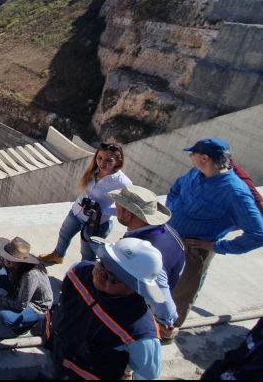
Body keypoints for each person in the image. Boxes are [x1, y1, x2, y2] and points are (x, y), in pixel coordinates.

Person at [164, 138, 263, 343]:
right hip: (169, 237)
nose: (190, 156)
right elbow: (176, 188)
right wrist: (172, 210)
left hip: (193, 249)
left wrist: (216, 246)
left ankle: (164, 332)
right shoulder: (195, 173)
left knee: (181, 294)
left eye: (193, 153)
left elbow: (258, 233)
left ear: (205, 158)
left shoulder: (234, 192)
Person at [45, 237, 164, 380]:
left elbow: (148, 374)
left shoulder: (140, 332)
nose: (99, 274)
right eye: (102, 264)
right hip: (59, 354)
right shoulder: (78, 271)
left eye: (111, 277)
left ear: (135, 286)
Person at [40, 142, 133, 264]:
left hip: (97, 223)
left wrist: (100, 209)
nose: (102, 163)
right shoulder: (93, 170)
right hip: (77, 212)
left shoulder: (123, 183)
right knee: (64, 234)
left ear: (118, 161)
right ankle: (58, 255)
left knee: (87, 252)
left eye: (108, 160)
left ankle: (85, 273)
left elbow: (126, 210)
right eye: (99, 158)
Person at [108, 185, 185, 328]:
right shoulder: (167, 230)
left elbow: (166, 309)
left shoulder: (147, 256)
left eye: (118, 206)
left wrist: (163, 322)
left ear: (128, 214)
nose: (115, 209)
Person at [0, 236, 53, 336]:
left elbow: (20, 304)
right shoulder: (7, 256)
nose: (6, 261)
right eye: (7, 258)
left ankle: (27, 324)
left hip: (36, 305)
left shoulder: (30, 275)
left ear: (22, 261)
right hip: (18, 287)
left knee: (5, 316)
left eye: (12, 260)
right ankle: (12, 295)